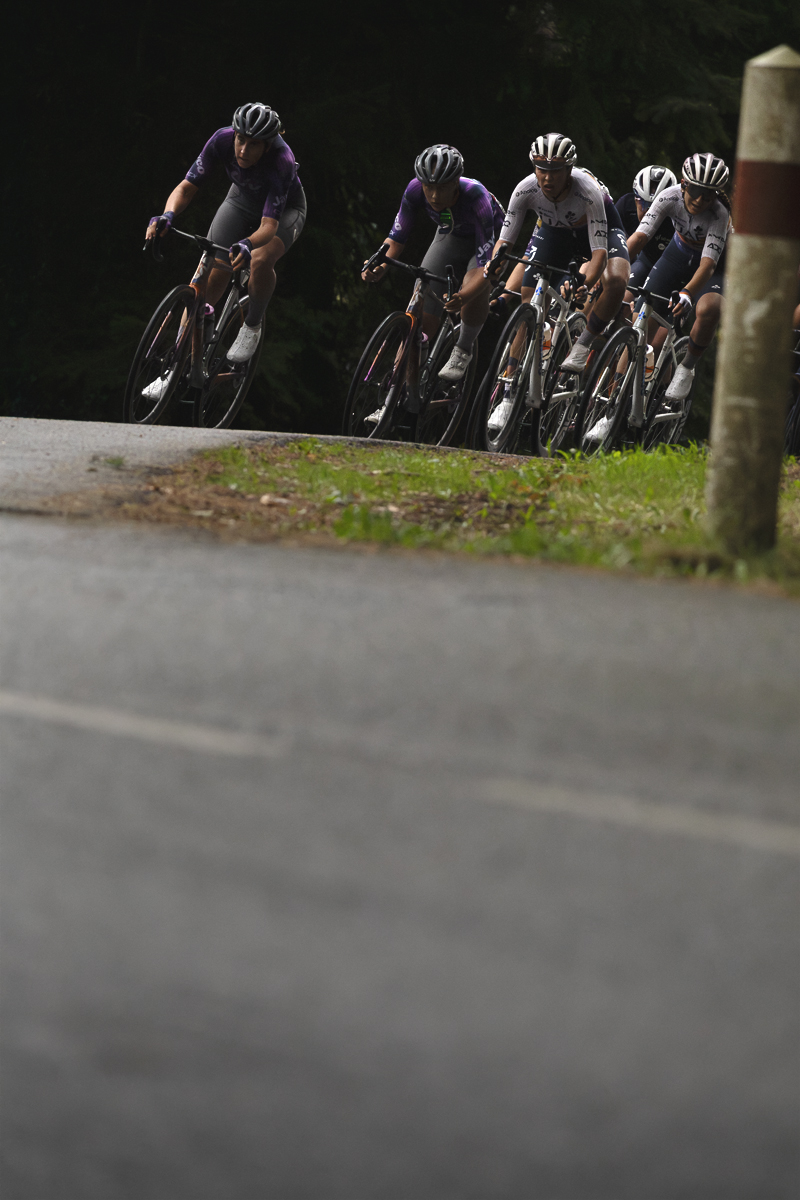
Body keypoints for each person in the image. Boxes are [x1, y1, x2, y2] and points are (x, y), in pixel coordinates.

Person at [144, 102, 306, 384]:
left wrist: (246, 242)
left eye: (253, 144)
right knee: (208, 272)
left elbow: (269, 226)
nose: (243, 150)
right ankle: (176, 367)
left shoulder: (282, 160)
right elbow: (186, 187)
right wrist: (167, 215)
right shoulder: (221, 138)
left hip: (286, 211)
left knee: (260, 258)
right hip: (242, 200)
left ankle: (252, 324)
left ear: (267, 146)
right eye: (240, 140)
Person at [484, 133, 630, 430]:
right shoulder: (525, 189)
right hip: (553, 232)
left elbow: (599, 254)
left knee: (616, 280)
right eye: (541, 169)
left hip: (595, 231)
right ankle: (508, 393)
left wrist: (584, 283)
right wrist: (494, 265)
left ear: (569, 170)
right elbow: (506, 243)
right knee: (528, 302)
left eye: (555, 170)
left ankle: (583, 345)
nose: (547, 177)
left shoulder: (588, 190)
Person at [361, 144, 505, 404]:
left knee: (472, 294)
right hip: (450, 235)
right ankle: (398, 394)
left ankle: (463, 347)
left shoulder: (476, 196)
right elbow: (396, 238)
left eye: (442, 187)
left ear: (456, 184)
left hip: (487, 239)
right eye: (429, 187)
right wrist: (380, 265)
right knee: (420, 313)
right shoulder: (415, 189)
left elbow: (484, 264)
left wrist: (463, 296)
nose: (434, 195)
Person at [626, 152, 730, 402]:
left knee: (709, 308)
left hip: (715, 267)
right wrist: (617, 265)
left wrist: (688, 293)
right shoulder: (669, 195)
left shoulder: (719, 214)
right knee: (640, 327)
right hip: (677, 255)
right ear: (684, 184)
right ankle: (614, 398)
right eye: (695, 190)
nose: (700, 199)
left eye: (709, 194)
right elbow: (640, 237)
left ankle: (686, 367)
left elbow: (707, 265)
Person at [615, 165, 677, 296]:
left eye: (657, 206)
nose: (649, 211)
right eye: (644, 204)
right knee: (622, 297)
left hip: (669, 267)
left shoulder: (676, 219)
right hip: (642, 261)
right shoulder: (626, 205)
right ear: (635, 198)